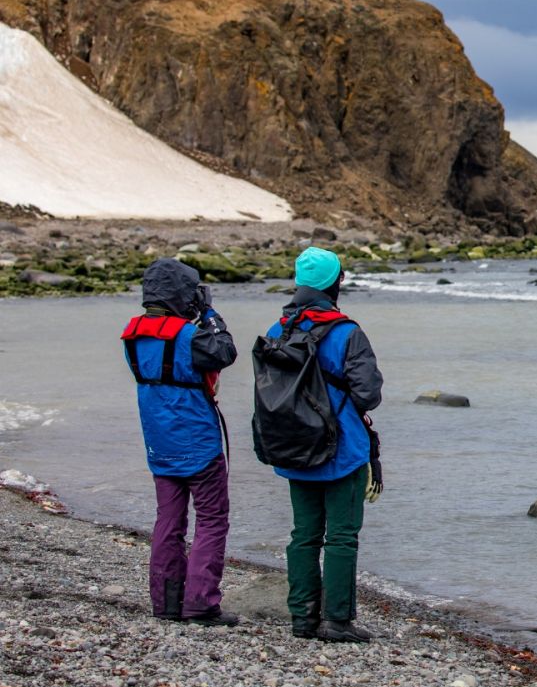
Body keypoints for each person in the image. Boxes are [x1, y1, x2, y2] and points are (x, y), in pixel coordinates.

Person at [265, 246, 383, 642]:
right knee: (342, 536)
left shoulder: (277, 330)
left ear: (299, 282)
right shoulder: (348, 332)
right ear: (338, 281)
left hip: (294, 444)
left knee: (304, 534)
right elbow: (368, 394)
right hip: (342, 448)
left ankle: (302, 618)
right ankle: (336, 620)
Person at [121, 257, 239, 626]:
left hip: (159, 441)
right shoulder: (192, 335)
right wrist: (210, 312)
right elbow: (226, 351)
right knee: (211, 519)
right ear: (182, 293)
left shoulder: (133, 336)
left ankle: (167, 603)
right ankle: (201, 604)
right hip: (198, 441)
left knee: (168, 521)